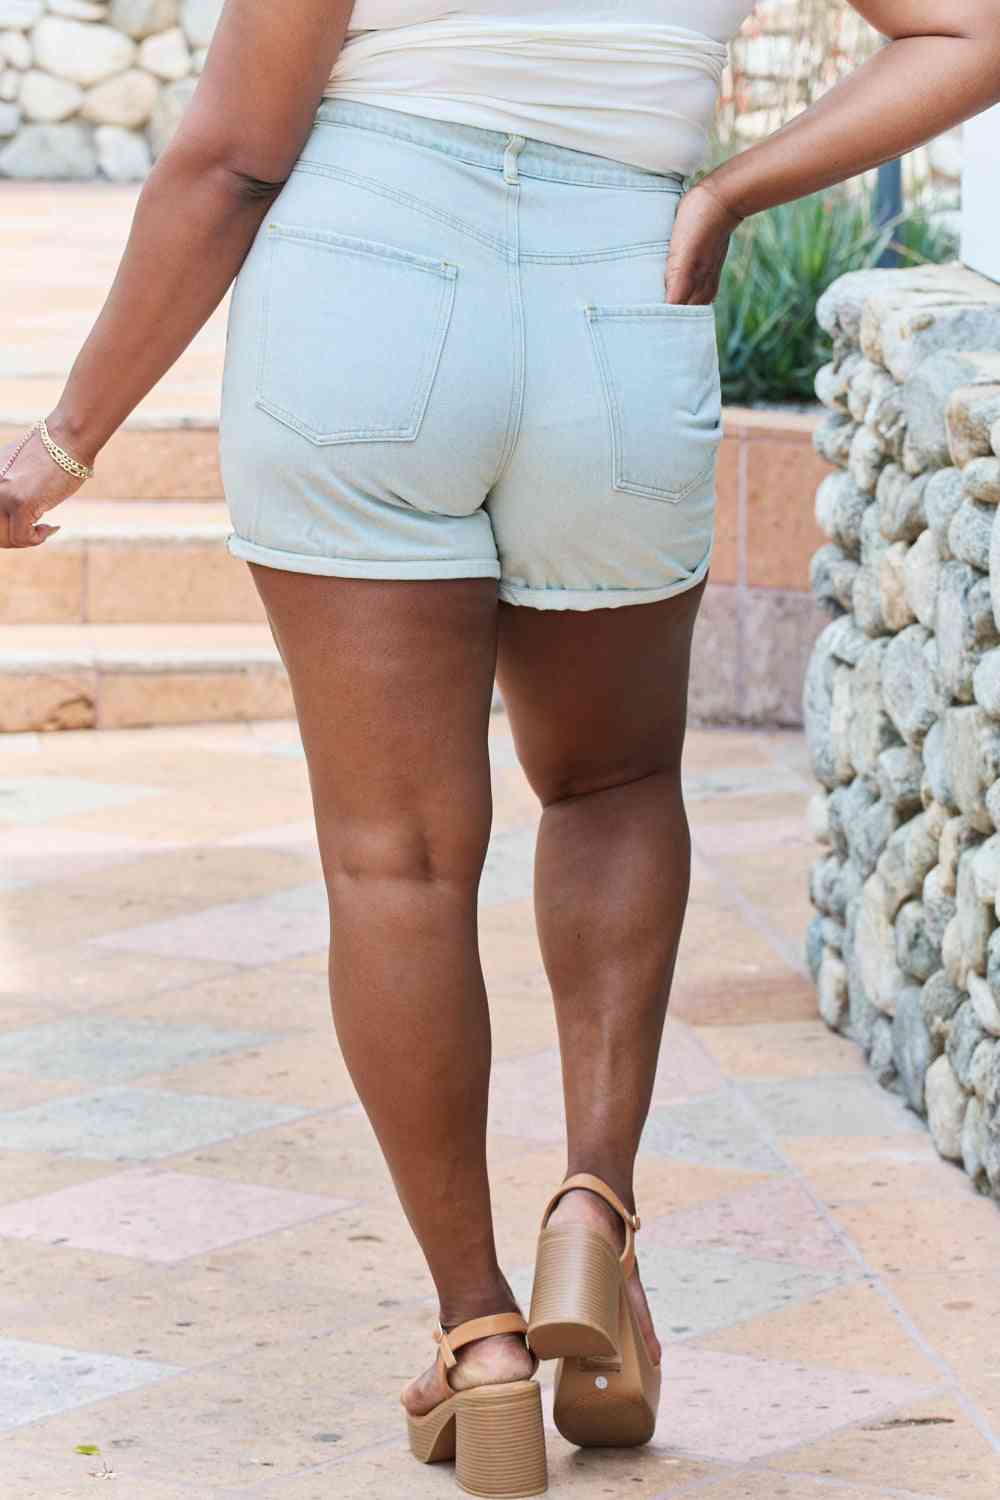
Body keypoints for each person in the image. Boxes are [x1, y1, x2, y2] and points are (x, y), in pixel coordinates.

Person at [3, 1, 999, 1493]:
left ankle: (478, 1343)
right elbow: (969, 29)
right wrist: (733, 189)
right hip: (625, 296)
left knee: (394, 858)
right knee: (612, 779)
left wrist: (62, 442)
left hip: (363, 291)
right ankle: (594, 1209)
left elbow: (231, 161)